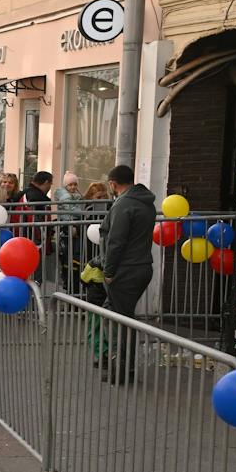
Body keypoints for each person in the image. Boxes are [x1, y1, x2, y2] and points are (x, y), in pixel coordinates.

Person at [98, 165, 156, 384]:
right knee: (116, 315)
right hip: (141, 266)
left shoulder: (124, 204)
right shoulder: (146, 202)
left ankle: (122, 369)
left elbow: (116, 240)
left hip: (125, 269)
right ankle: (122, 366)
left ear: (113, 183)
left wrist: (109, 271)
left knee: (119, 321)